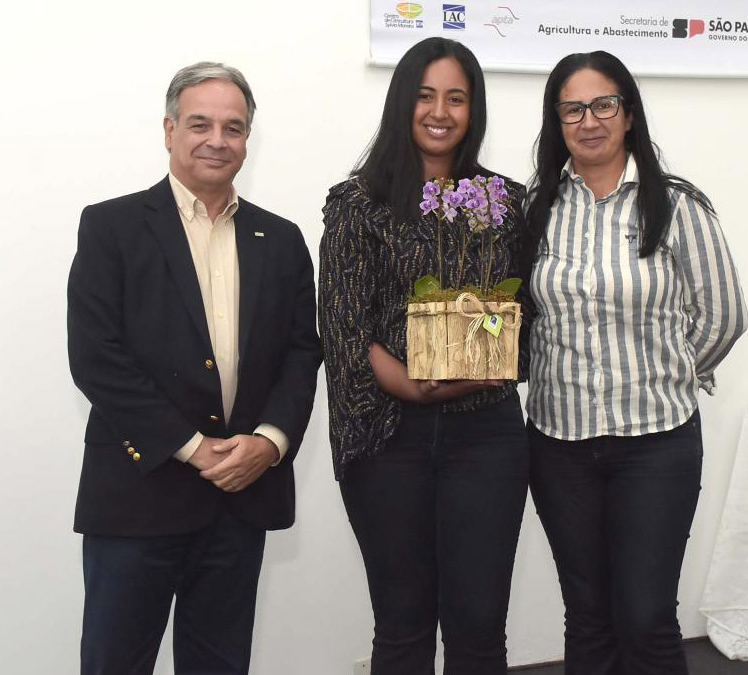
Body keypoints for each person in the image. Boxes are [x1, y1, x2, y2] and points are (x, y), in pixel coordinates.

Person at [67, 61, 321, 675]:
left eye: (233, 128)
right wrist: (191, 447)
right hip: (139, 492)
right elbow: (95, 356)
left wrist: (270, 442)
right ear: (169, 129)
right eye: (200, 123)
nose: (217, 140)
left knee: (220, 663)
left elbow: (301, 352)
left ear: (247, 140)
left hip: (240, 496)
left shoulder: (281, 238)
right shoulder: (112, 227)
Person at [521, 51, 748, 674]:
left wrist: (669, 372)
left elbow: (724, 314)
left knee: (646, 616)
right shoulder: (536, 207)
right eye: (572, 108)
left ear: (627, 113)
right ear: (557, 119)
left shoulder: (676, 205)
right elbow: (521, 314)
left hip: (656, 446)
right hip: (559, 443)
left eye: (603, 105)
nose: (588, 120)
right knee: (587, 616)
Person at [319, 37, 530, 675]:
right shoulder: (357, 202)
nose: (440, 111)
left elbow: (522, 322)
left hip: (486, 435)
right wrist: (414, 388)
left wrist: (460, 375)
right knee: (403, 631)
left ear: (474, 110)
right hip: (387, 436)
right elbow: (344, 330)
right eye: (425, 95)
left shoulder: (505, 203)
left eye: (456, 98)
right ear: (401, 104)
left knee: (479, 631)